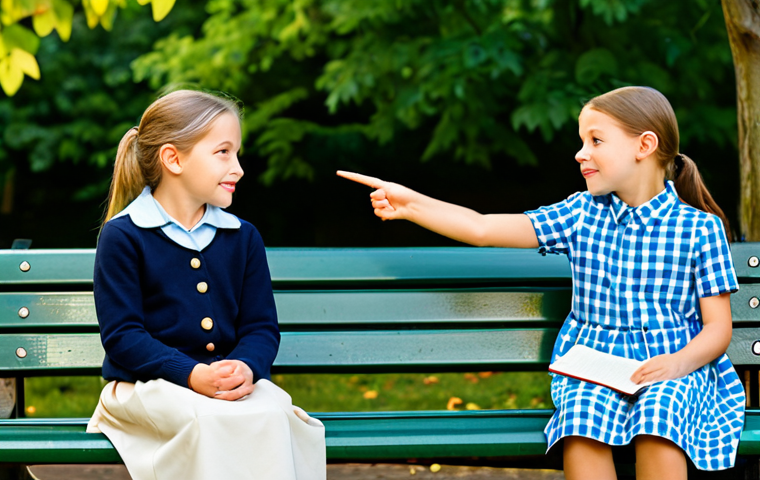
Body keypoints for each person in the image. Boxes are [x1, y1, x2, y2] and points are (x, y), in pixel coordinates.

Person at [337, 86, 745, 480]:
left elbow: (717, 329)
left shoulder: (698, 228)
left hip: (672, 363)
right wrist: (412, 204)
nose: (580, 152)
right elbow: (481, 227)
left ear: (644, 146)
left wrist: (676, 365)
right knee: (581, 422)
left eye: (596, 140)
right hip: (593, 365)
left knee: (661, 416)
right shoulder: (581, 213)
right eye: (582, 140)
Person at [86, 89, 326, 480]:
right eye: (223, 152)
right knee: (206, 420)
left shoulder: (243, 237)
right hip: (145, 388)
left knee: (275, 411)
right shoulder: (124, 236)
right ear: (173, 159)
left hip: (226, 385)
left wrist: (246, 367)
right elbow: (124, 336)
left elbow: (260, 327)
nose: (238, 168)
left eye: (236, 153)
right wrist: (192, 374)